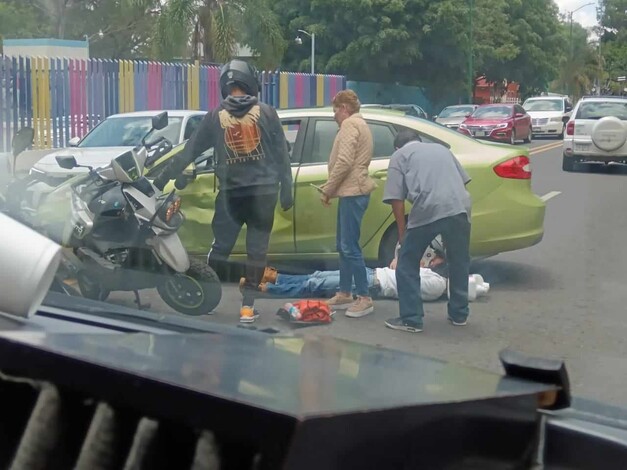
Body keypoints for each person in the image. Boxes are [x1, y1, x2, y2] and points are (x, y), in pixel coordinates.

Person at [154, 59, 293, 323]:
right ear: (250, 81)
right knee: (257, 251)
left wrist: (161, 179)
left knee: (220, 247)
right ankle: (247, 309)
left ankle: (203, 297)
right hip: (263, 195)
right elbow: (282, 155)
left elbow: (189, 151)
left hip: (231, 195)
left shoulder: (215, 115)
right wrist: (287, 190)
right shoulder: (267, 112)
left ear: (226, 85)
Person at [383, 129, 472, 333]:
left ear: (397, 147)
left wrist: (402, 233)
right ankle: (459, 314)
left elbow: (396, 199)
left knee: (407, 262)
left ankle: (411, 319)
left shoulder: (399, 156)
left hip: (428, 207)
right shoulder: (441, 149)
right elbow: (463, 181)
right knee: (459, 260)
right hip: (460, 207)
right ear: (418, 140)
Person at [319, 90, 376, 318]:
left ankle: (364, 297)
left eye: (335, 109)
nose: (333, 115)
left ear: (344, 108)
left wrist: (327, 189)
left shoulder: (350, 125)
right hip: (352, 191)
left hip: (353, 191)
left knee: (350, 246)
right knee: (344, 245)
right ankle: (345, 292)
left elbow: (344, 161)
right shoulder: (360, 124)